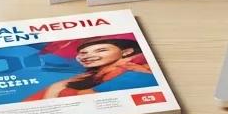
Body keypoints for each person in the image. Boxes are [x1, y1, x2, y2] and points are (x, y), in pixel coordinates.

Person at [25, 36, 153, 100]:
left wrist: (59, 88)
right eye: (83, 53)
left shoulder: (132, 72)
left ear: (126, 52)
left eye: (101, 50)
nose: (88, 56)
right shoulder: (92, 76)